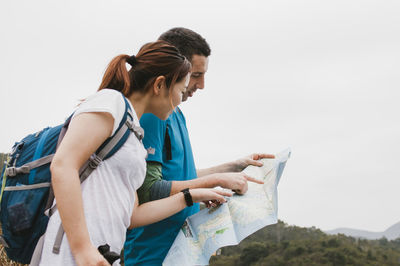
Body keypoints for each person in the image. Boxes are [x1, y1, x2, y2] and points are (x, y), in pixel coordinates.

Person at [37, 41, 232, 266]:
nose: (180, 100)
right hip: (70, 256)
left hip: (103, 256)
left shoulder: (135, 136)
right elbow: (63, 166)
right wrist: (82, 250)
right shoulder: (111, 102)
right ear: (160, 85)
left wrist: (192, 196)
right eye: (180, 90)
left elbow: (133, 216)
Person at [124, 28, 274, 265]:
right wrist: (214, 183)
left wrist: (234, 167)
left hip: (185, 253)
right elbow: (148, 189)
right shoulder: (153, 115)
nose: (201, 85)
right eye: (195, 75)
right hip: (154, 256)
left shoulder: (177, 115)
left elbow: (181, 176)